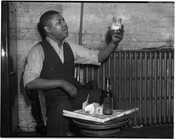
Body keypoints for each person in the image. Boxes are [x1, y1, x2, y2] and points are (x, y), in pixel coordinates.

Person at [23, 10, 124, 136]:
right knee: (63, 107)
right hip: (51, 101)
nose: (65, 24)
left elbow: (97, 57)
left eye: (64, 20)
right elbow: (29, 83)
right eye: (59, 22)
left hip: (73, 97)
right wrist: (61, 83)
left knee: (105, 96)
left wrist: (113, 43)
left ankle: (104, 134)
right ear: (47, 29)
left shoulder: (70, 47)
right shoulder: (37, 50)